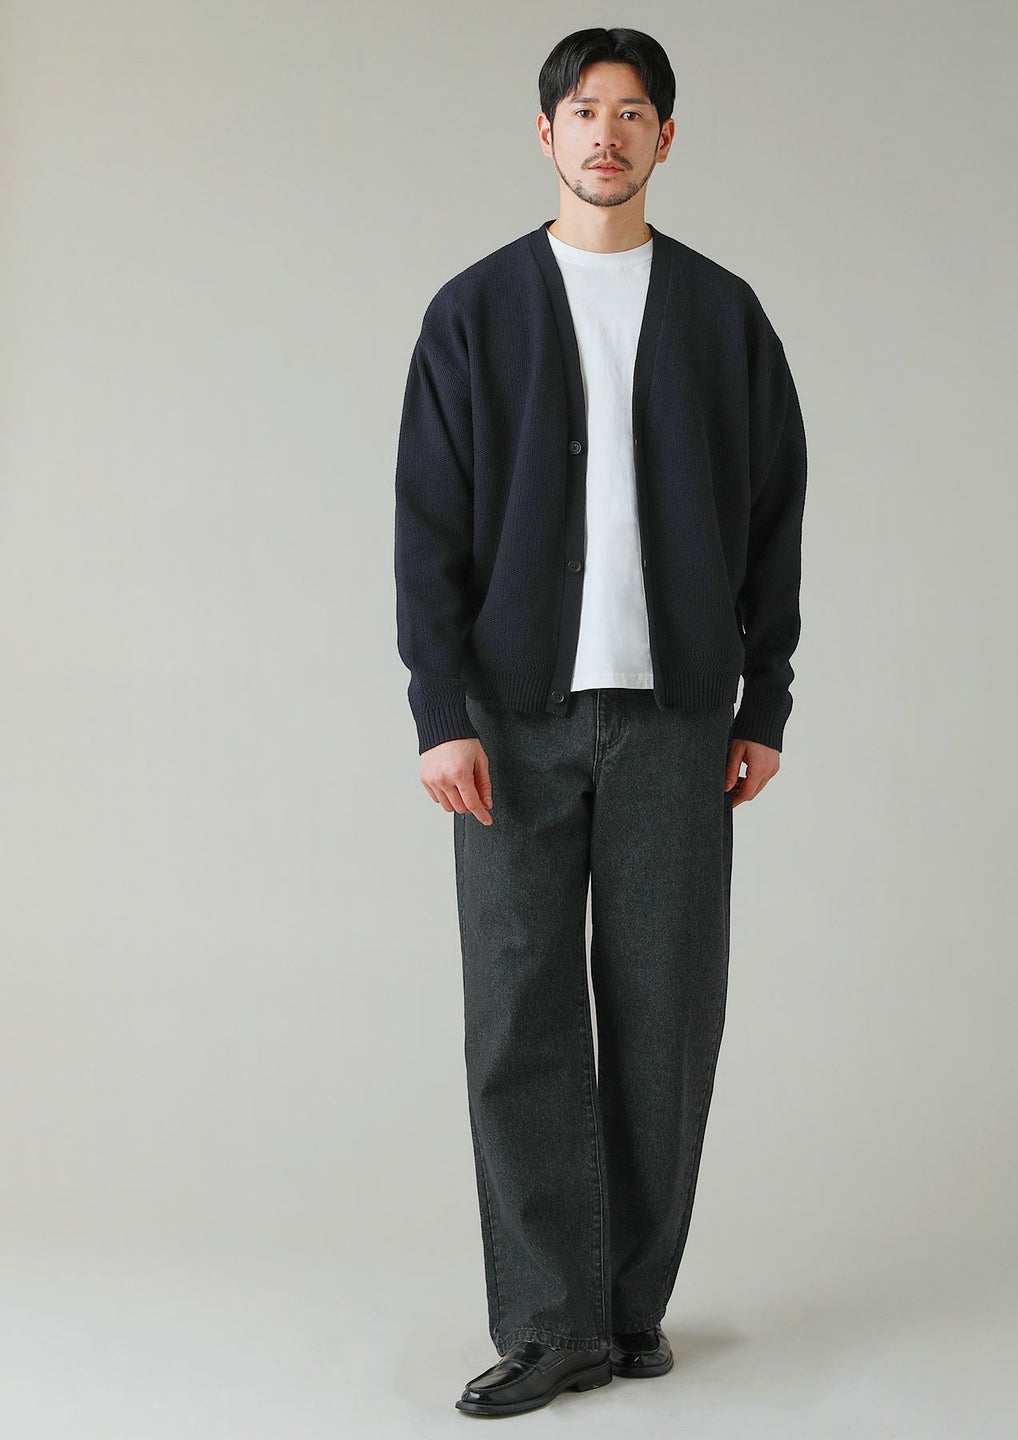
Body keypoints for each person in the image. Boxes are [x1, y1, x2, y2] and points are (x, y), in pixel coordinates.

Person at [394, 26, 807, 1418]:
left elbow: (776, 517)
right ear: (546, 133)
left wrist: (765, 700)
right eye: (584, 110)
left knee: (664, 1014)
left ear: (666, 139)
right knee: (518, 1013)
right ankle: (549, 1323)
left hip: (680, 717)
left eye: (634, 113)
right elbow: (426, 529)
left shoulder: (723, 315)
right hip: (508, 722)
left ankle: (627, 1310)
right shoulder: (474, 312)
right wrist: (439, 711)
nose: (607, 134)